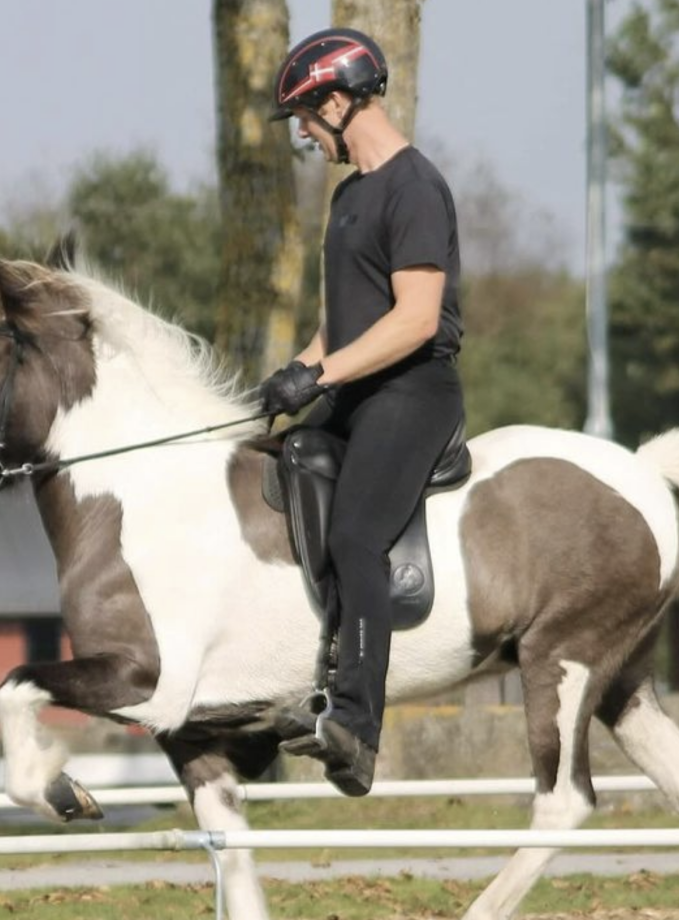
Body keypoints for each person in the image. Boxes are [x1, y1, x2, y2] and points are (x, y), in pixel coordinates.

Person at [261, 27, 465, 796]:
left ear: (341, 101)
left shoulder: (414, 188)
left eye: (309, 120)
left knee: (354, 531)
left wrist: (323, 377)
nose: (307, 136)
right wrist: (294, 375)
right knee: (277, 482)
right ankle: (300, 682)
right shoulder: (350, 197)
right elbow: (343, 323)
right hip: (356, 384)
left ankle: (356, 725)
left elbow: (414, 320)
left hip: (413, 390)